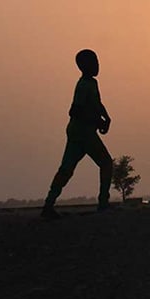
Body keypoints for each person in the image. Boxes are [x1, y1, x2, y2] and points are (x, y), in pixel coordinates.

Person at [42, 49, 113, 219]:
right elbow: (75, 111)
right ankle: (103, 203)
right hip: (82, 132)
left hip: (81, 131)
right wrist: (97, 121)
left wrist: (106, 118)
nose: (97, 65)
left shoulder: (93, 83)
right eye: (93, 62)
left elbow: (98, 103)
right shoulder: (82, 85)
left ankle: (48, 205)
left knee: (66, 169)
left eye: (97, 61)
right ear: (83, 66)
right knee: (106, 163)